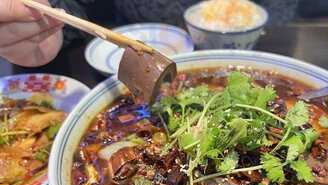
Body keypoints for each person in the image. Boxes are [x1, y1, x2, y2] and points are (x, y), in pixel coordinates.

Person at [0, 0, 298, 67]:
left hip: (261, 53)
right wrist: (38, 23)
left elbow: (278, 14)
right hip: (119, 65)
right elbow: (70, 8)